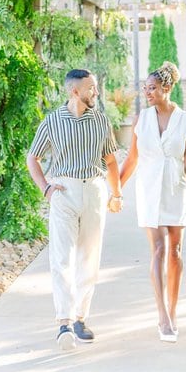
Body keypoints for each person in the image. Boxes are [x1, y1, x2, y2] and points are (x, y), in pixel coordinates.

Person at [26, 69, 123, 352]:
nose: (96, 93)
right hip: (64, 192)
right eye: (91, 89)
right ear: (74, 91)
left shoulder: (101, 121)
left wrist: (116, 194)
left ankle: (81, 318)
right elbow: (33, 157)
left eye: (95, 88)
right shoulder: (53, 121)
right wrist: (45, 187)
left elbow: (111, 161)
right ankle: (63, 322)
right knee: (61, 258)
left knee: (89, 258)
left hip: (94, 189)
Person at [119, 60, 186, 342]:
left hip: (176, 190)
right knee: (157, 250)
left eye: (152, 88)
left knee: (175, 252)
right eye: (145, 88)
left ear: (167, 88)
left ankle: (174, 310)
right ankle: (162, 315)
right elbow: (132, 158)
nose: (147, 92)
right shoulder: (141, 119)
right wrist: (116, 189)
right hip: (149, 190)